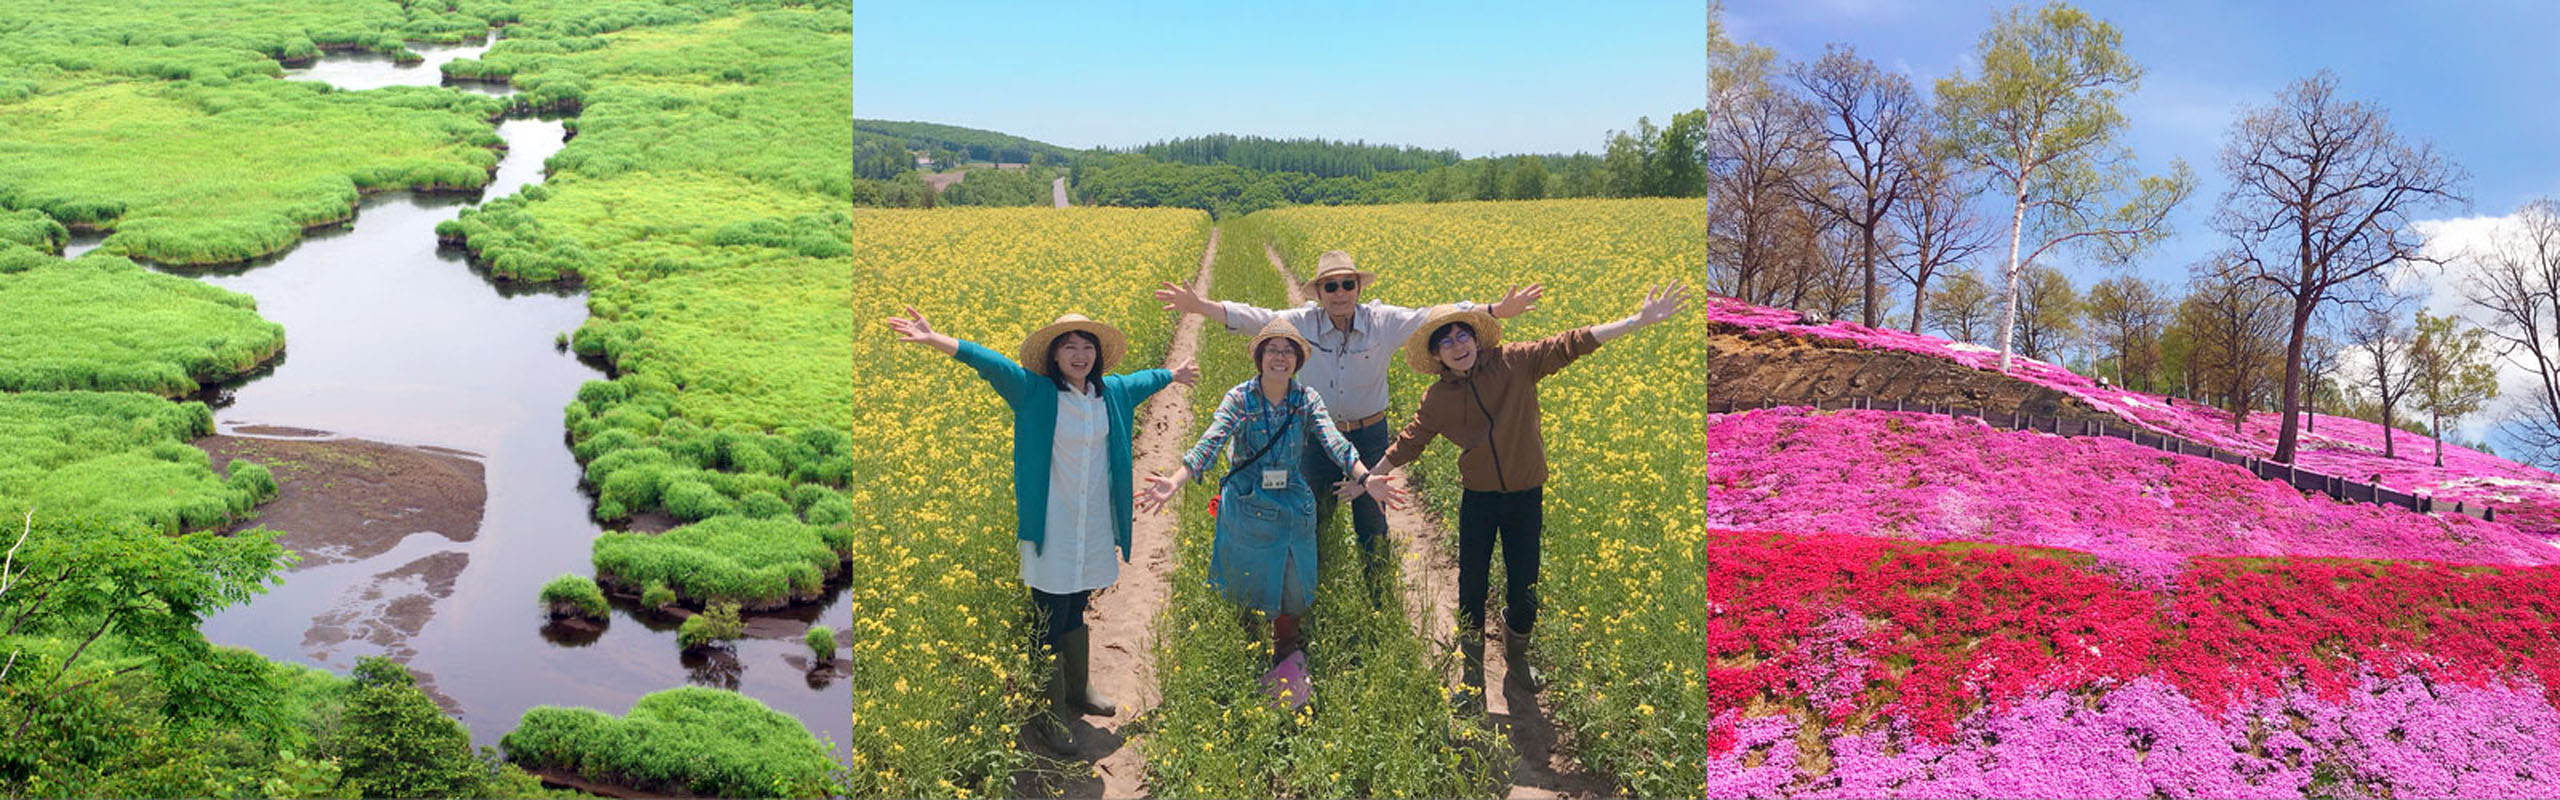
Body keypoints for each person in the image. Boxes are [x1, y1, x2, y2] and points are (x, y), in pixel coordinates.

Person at [1358, 281, 1691, 711]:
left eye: (1463, 335)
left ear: (1476, 338)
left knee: (1524, 585)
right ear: (1437, 356)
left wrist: (1637, 321)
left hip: (1525, 496)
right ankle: (1472, 674)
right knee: (1471, 586)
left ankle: (1517, 659)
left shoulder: (1515, 362)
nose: (1458, 345)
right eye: (1446, 341)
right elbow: (1410, 440)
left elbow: (1572, 343)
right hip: (1478, 499)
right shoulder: (1439, 397)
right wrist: (1368, 477)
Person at [884, 306, 1198, 753]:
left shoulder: (1112, 394)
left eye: (1087, 346)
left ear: (1098, 356)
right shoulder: (1033, 392)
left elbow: (1144, 379)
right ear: (1053, 356)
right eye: (1069, 346)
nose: (1079, 353)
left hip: (1092, 525)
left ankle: (1079, 691)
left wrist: (1174, 373)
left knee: (1078, 606)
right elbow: (989, 362)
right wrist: (936, 340)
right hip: (1051, 526)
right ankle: (1048, 713)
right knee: (1048, 617)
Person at [1154, 250, 1539, 583]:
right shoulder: (1302, 322)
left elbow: (1431, 318)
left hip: (1369, 432)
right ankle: (1312, 580)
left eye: (1348, 284)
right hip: (1315, 435)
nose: (1340, 293)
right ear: (1319, 293)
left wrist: (1494, 311)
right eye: (1331, 286)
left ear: (1359, 288)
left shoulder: (1382, 321)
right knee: (1312, 511)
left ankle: (1377, 588)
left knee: (1372, 517)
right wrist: (1199, 306)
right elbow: (1258, 318)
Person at [1138, 319, 1375, 707]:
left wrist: (1365, 476)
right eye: (1272, 349)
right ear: (1260, 357)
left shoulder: (1306, 399)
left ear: (1297, 360)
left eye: (1287, 351)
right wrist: (1176, 480)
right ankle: (1247, 638)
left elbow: (1334, 441)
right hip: (1248, 500)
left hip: (1292, 502)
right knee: (1246, 579)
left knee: (1292, 583)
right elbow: (1211, 441)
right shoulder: (1239, 399)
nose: (1279, 357)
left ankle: (1285, 648)